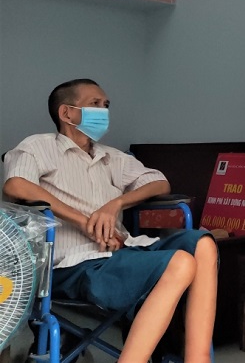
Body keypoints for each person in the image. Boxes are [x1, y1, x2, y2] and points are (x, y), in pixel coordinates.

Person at [2, 78, 217, 363]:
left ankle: (198, 359)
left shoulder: (112, 158)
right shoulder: (38, 146)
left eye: (106, 105)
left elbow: (159, 183)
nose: (103, 111)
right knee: (180, 263)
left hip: (121, 250)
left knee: (203, 245)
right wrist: (82, 221)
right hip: (72, 263)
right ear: (66, 113)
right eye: (95, 104)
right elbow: (16, 185)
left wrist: (116, 203)